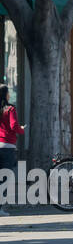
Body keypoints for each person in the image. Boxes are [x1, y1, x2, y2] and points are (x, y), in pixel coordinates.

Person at [0, 85, 22, 214]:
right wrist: (21, 130)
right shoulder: (10, 109)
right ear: (6, 94)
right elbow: (14, 126)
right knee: (4, 178)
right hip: (7, 146)